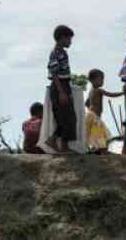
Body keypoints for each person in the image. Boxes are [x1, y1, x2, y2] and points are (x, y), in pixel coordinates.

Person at [44, 25, 77, 154]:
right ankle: (61, 145)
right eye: (69, 39)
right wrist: (62, 92)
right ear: (62, 38)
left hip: (65, 85)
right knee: (64, 117)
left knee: (69, 117)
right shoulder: (55, 52)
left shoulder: (63, 52)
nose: (70, 42)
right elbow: (54, 74)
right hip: (59, 87)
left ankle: (60, 143)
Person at [85, 69, 123, 154]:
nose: (103, 81)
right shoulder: (99, 90)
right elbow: (111, 94)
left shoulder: (91, 91)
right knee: (100, 135)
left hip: (91, 115)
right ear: (93, 80)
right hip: (95, 116)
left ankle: (96, 150)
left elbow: (86, 103)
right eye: (101, 79)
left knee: (97, 134)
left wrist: (91, 109)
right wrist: (122, 93)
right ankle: (101, 151)